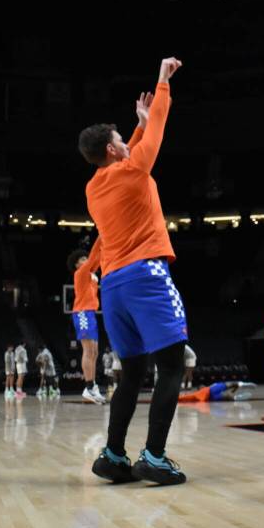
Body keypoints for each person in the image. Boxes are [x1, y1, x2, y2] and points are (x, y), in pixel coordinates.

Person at [80, 57, 190, 486]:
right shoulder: (132, 169)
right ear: (111, 150)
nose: (127, 142)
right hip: (146, 276)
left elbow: (131, 155)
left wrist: (138, 128)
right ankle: (155, 457)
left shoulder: (94, 187)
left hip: (114, 287)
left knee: (133, 372)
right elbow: (155, 132)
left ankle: (112, 455)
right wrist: (162, 83)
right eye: (120, 139)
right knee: (173, 364)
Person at [69, 243, 107, 404]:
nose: (85, 260)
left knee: (95, 352)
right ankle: (88, 386)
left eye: (85, 258)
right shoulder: (80, 273)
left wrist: (105, 244)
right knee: (88, 350)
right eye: (82, 259)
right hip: (82, 312)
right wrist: (101, 236)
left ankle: (93, 386)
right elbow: (93, 257)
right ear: (77, 264)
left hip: (90, 313)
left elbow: (98, 258)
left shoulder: (91, 273)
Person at [178, 381, 256, 403]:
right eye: (201, 386)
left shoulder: (211, 386)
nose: (202, 386)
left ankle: (241, 387)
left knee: (228, 391)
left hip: (211, 395)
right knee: (228, 390)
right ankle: (238, 394)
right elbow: (187, 397)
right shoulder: (203, 390)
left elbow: (187, 397)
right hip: (211, 393)